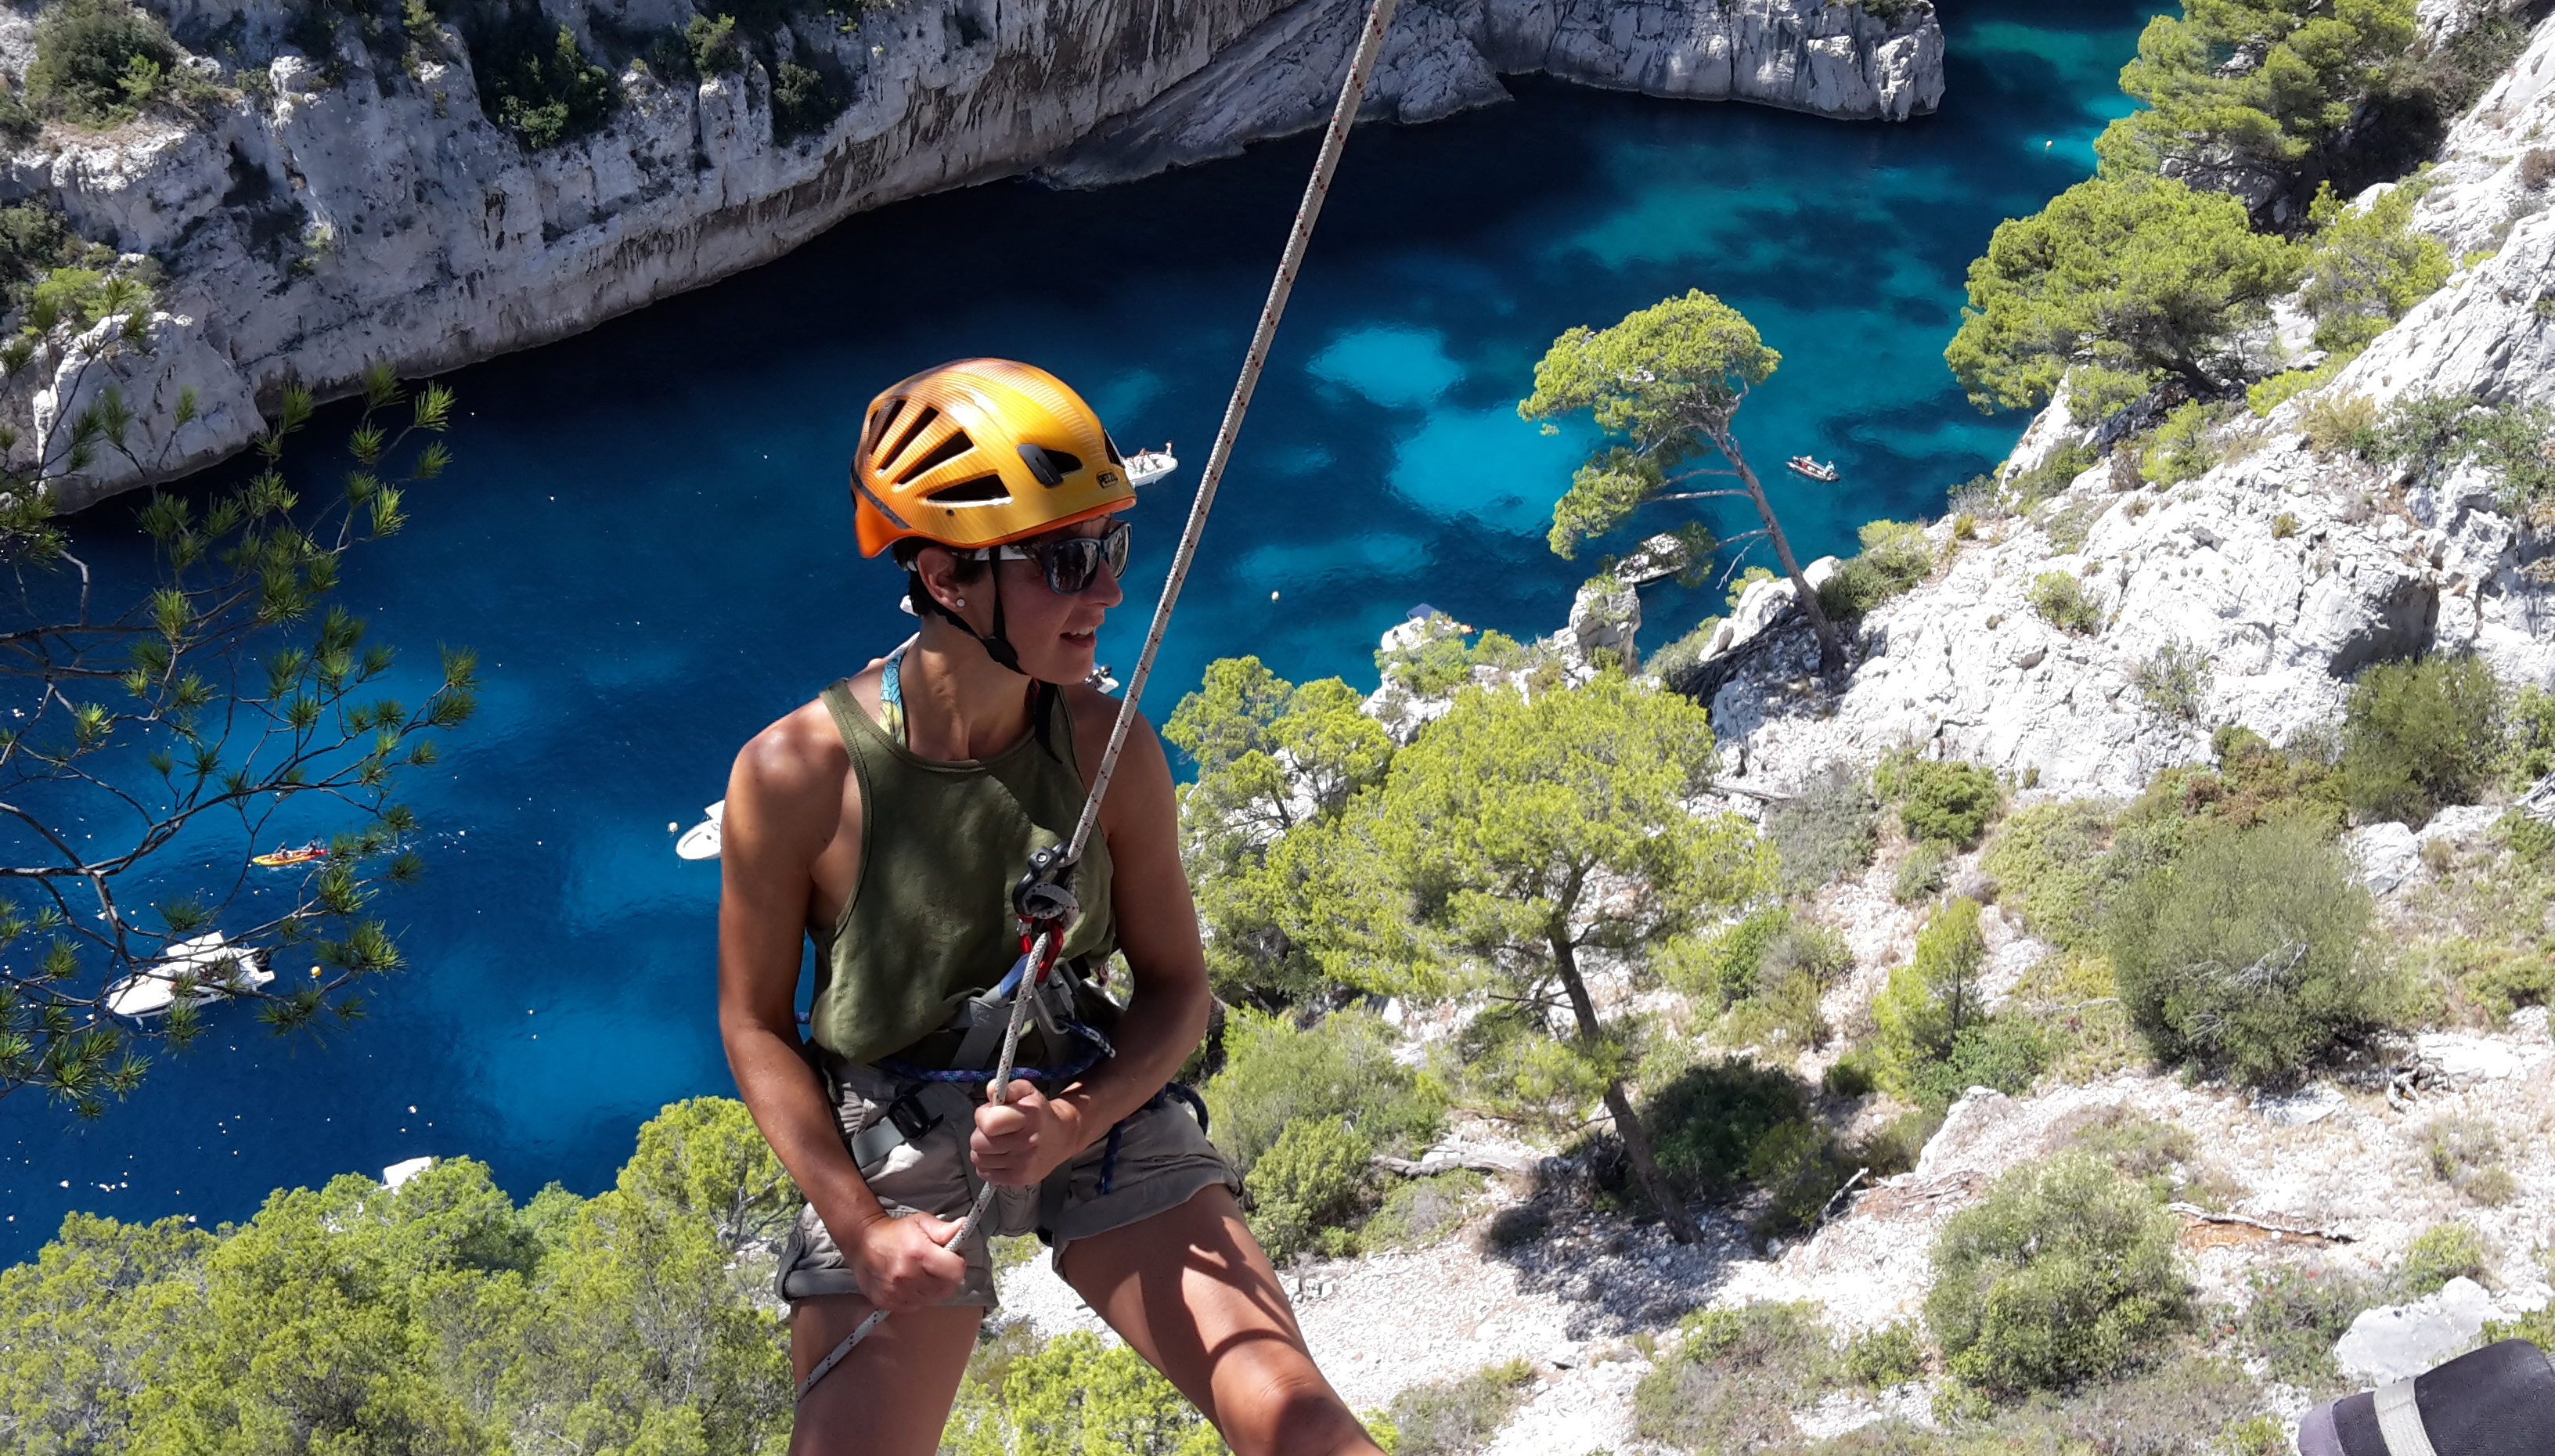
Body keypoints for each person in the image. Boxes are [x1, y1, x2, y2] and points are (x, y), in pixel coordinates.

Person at [717, 359, 1385, 1456]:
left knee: (1307, 1431)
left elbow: (1177, 990)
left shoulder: (1109, 750)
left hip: (1086, 1088)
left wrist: (1077, 1119)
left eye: (1112, 549)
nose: (1109, 590)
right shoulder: (797, 775)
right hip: (894, 1131)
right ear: (944, 578)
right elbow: (754, 1025)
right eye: (1068, 560)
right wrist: (860, 1228)